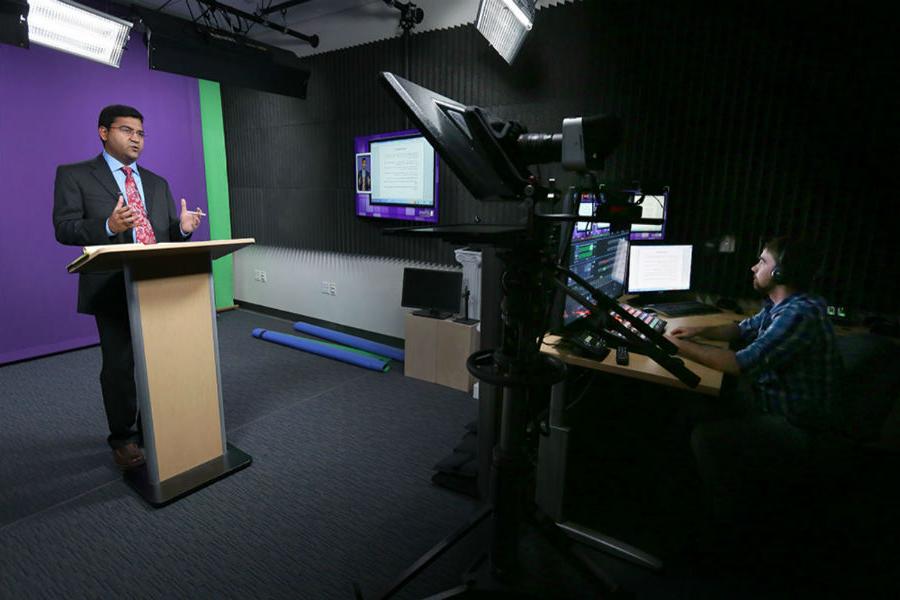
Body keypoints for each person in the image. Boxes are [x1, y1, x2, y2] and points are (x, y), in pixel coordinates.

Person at [53, 105, 204, 470]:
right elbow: (64, 228)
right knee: (120, 366)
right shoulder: (75, 175)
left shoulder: (156, 182)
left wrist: (182, 229)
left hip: (159, 283)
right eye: (127, 130)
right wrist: (106, 225)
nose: (136, 138)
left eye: (140, 133)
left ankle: (157, 425)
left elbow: (165, 234)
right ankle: (123, 438)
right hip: (112, 286)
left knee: (162, 360)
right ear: (104, 132)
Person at [664, 236, 843, 527]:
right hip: (771, 398)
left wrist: (674, 346)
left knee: (704, 436)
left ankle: (727, 518)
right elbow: (740, 329)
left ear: (779, 273)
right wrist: (695, 331)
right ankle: (684, 492)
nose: (752, 267)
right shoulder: (784, 304)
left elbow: (739, 364)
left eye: (761, 261)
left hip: (796, 421)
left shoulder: (798, 313)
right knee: (691, 408)